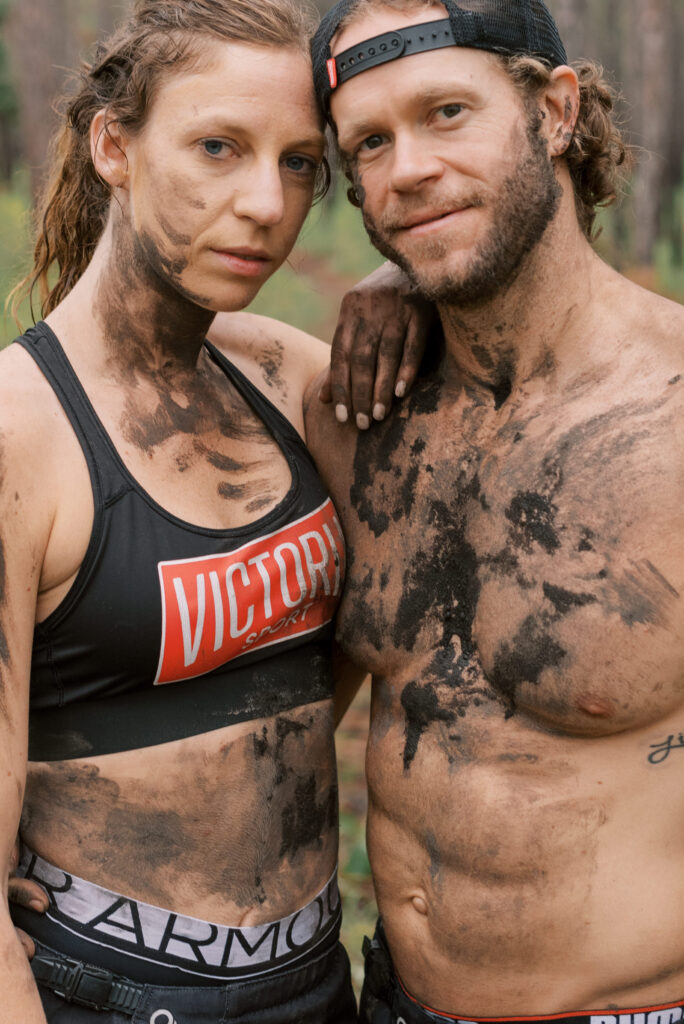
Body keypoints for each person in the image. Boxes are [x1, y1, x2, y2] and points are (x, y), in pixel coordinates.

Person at [0, 0, 430, 1020]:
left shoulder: (286, 379)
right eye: (217, 148)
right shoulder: (20, 434)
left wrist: (405, 275)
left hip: (316, 974)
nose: (263, 204)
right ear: (116, 144)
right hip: (102, 988)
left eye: (296, 165)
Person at [304, 1, 684, 1022]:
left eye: (447, 114)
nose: (408, 170)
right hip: (390, 997)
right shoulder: (360, 415)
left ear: (557, 112)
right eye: (370, 143)